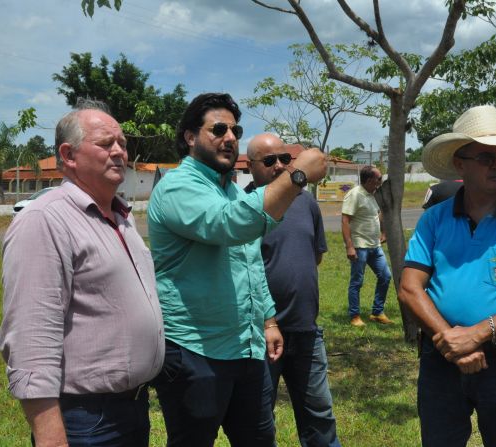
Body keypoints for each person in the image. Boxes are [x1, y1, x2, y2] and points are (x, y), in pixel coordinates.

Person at [148, 93, 327, 447]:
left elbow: (249, 264)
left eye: (235, 129)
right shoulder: (177, 187)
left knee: (259, 439)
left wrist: (268, 321)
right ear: (189, 137)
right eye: (218, 129)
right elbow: (229, 225)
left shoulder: (228, 190)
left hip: (246, 348)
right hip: (196, 351)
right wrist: (297, 174)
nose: (230, 137)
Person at [0, 101, 165, 447]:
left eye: (122, 143)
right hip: (86, 420)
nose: (120, 151)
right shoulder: (44, 220)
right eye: (106, 144)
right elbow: (31, 340)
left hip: (132, 409)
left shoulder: (121, 216)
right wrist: (51, 437)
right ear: (68, 155)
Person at [399, 105, 496, 446]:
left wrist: (478, 333)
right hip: (441, 361)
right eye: (487, 157)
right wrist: (453, 342)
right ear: (460, 164)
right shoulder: (434, 220)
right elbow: (410, 289)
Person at [245, 134, 341, 447]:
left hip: (306, 331)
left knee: (320, 418)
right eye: (269, 161)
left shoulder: (306, 202)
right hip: (259, 336)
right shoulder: (243, 207)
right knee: (258, 424)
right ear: (250, 166)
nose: (279, 166)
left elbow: (316, 254)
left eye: (285, 159)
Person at [341, 165, 392, 327]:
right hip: (359, 246)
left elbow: (376, 215)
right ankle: (354, 315)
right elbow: (345, 220)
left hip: (375, 246)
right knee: (357, 281)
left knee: (385, 276)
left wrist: (383, 232)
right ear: (370, 180)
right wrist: (349, 246)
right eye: (379, 178)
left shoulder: (373, 194)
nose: (381, 181)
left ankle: (377, 312)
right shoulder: (354, 195)